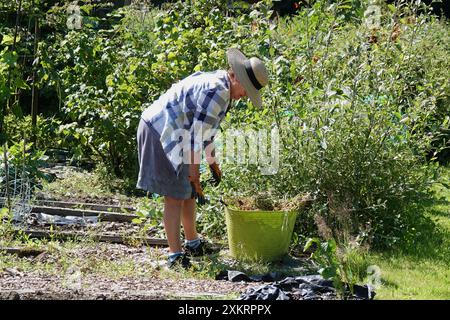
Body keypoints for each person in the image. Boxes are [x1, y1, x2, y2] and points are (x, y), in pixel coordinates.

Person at [136, 48, 269, 269]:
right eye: (245, 90)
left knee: (189, 193)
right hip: (160, 131)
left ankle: (193, 243)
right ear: (235, 76)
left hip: (179, 134)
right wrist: (194, 173)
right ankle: (175, 257)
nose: (245, 95)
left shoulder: (224, 90)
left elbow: (206, 133)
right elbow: (196, 138)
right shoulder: (216, 91)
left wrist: (213, 163)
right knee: (175, 195)